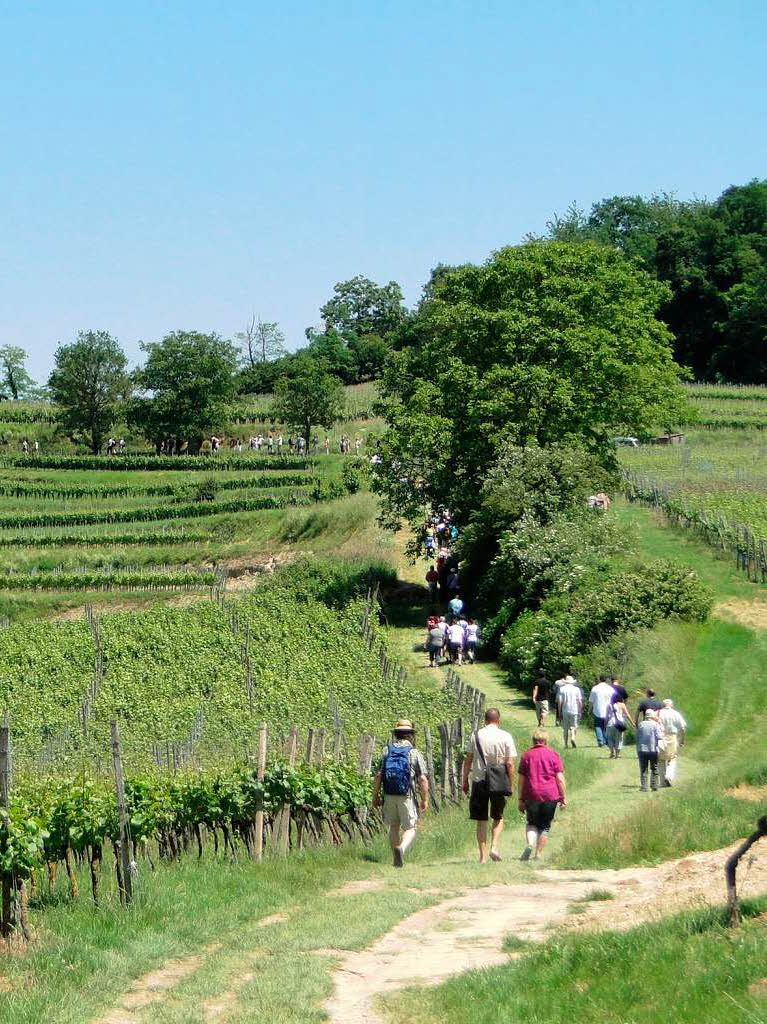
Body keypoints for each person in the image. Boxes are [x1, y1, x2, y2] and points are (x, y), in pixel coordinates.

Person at [462, 708, 516, 864]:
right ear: (498, 720)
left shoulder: (476, 735)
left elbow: (468, 760)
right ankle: (494, 847)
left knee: (481, 820)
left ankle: (482, 857)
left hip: (479, 780)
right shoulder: (506, 736)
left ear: (484, 720)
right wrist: (510, 784)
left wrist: (465, 780)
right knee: (498, 816)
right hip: (499, 781)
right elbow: (510, 764)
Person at [372, 720, 428, 868]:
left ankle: (395, 859)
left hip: (389, 794)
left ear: (395, 734)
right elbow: (422, 778)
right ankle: (401, 849)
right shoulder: (414, 752)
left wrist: (375, 795)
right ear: (410, 735)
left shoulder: (387, 750)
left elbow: (379, 775)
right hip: (406, 795)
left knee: (394, 826)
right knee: (410, 828)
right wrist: (425, 799)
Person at [517, 729, 566, 860]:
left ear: (534, 741)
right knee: (545, 826)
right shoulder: (553, 755)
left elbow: (521, 780)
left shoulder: (526, 756)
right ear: (545, 741)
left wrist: (520, 799)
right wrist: (563, 798)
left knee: (531, 822)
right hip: (550, 795)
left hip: (531, 794)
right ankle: (538, 854)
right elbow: (560, 779)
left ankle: (530, 844)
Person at [658, 699, 687, 787]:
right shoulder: (675, 713)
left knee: (661, 759)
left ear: (663, 705)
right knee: (672, 758)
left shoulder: (658, 713)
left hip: (661, 737)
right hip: (672, 737)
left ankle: (663, 781)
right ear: (672, 705)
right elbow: (683, 727)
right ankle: (669, 776)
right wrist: (682, 739)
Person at [635, 709, 664, 791]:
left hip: (642, 749)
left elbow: (636, 737)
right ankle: (654, 785)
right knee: (654, 768)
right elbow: (659, 736)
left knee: (643, 769)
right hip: (653, 749)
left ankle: (644, 786)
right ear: (652, 716)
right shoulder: (655, 724)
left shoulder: (641, 724)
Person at [589, 675, 616, 747]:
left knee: (598, 726)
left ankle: (601, 741)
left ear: (599, 680)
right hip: (608, 711)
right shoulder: (610, 689)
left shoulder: (595, 688)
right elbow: (613, 700)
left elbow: (591, 701)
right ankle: (607, 741)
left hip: (598, 710)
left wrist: (589, 710)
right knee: (606, 727)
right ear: (606, 680)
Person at [557, 674, 582, 748]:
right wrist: (580, 710)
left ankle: (565, 744)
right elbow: (580, 701)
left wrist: (559, 711)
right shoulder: (577, 689)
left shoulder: (562, 689)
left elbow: (560, 701)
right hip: (574, 709)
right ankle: (573, 737)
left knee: (565, 728)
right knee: (574, 726)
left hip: (565, 710)